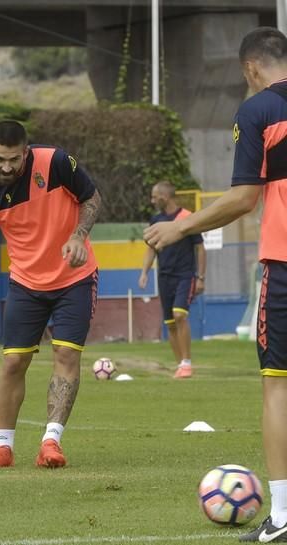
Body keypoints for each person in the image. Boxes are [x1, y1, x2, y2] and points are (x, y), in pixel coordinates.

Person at [144, 28, 287, 543]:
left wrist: (180, 225)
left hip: (286, 264)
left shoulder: (258, 112)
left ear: (251, 69)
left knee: (278, 384)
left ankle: (284, 514)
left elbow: (244, 199)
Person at [0, 120, 101, 469]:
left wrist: (78, 235)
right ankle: (2, 448)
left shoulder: (54, 162)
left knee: (66, 355)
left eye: (14, 159)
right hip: (25, 283)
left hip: (75, 277)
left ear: (26, 152)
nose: (6, 167)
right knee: (12, 361)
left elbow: (92, 197)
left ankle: (51, 442)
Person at [138, 181, 206, 379]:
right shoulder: (156, 220)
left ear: (164, 197)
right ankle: (180, 366)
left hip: (185, 275)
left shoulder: (187, 218)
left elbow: (200, 248)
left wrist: (200, 277)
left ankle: (187, 362)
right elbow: (151, 248)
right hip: (164, 277)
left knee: (179, 315)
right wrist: (144, 272)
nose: (152, 200)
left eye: (154, 196)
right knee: (170, 323)